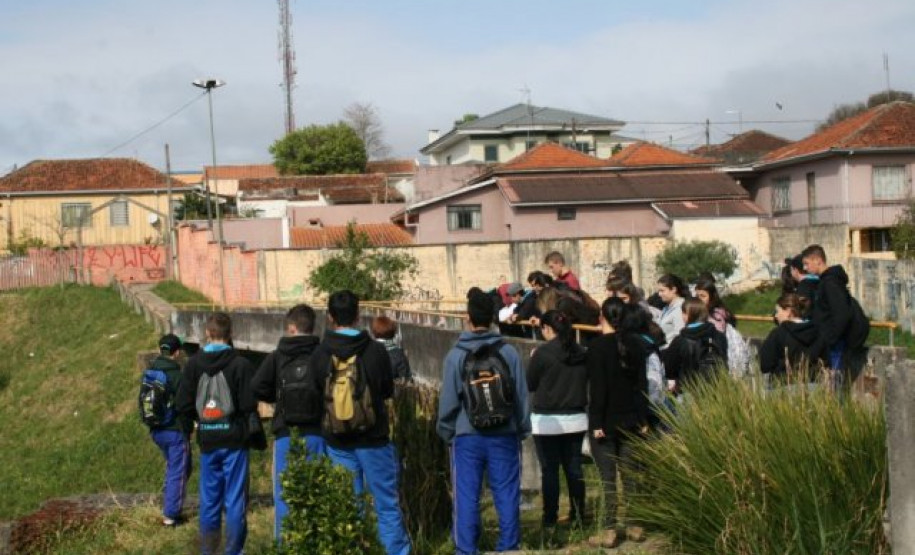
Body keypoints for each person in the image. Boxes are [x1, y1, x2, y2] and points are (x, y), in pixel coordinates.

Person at [309, 291, 411, 555]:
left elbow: (316, 394)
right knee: (387, 505)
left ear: (330, 317)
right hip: (374, 440)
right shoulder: (375, 351)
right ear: (358, 315)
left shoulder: (320, 353)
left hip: (338, 442)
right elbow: (387, 390)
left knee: (348, 508)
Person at [437, 290, 531, 555]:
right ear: (492, 318)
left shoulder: (456, 355)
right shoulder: (508, 352)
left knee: (466, 496)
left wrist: (447, 432)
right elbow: (521, 394)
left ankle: (466, 549)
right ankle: (508, 547)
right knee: (507, 493)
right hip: (505, 433)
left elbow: (449, 401)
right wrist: (522, 428)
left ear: (467, 318)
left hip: (467, 435)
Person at [176, 313, 257, 555]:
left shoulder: (193, 364)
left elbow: (183, 404)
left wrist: (201, 420)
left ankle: (209, 550)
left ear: (207, 334)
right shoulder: (241, 364)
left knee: (209, 500)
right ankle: (234, 550)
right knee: (235, 499)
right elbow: (249, 404)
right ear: (231, 334)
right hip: (235, 440)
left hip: (208, 439)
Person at [251, 304, 326, 542]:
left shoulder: (277, 356)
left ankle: (285, 545)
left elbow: (257, 387)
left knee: (284, 493)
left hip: (285, 432)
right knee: (318, 491)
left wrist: (278, 398)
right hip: (318, 432)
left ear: (291, 327)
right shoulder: (323, 355)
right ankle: (315, 543)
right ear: (312, 327)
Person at [586, 298, 649, 549]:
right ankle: (635, 524)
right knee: (631, 475)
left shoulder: (597, 347)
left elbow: (598, 389)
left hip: (606, 419)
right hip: (633, 418)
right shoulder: (638, 344)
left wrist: (596, 422)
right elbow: (642, 385)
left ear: (602, 317)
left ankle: (609, 529)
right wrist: (643, 418)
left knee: (608, 478)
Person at [527, 310, 588, 528]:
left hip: (546, 421)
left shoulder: (542, 353)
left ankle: (550, 518)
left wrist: (533, 359)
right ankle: (578, 514)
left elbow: (530, 384)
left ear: (547, 328)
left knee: (550, 471)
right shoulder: (581, 352)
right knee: (574, 469)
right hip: (576, 418)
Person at [146, 334, 192, 528]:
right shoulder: (177, 376)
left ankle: (168, 504)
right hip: (174, 430)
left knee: (176, 467)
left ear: (160, 350)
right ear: (177, 352)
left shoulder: (151, 372)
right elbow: (185, 405)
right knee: (178, 471)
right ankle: (171, 516)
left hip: (157, 430)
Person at [801, 244, 852, 372]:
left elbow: (842, 314)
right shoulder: (824, 281)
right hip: (827, 342)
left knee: (834, 379)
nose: (805, 268)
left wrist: (831, 339)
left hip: (834, 345)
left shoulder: (831, 283)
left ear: (818, 260)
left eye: (807, 263)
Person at [663, 299, 728, 393]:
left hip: (688, 389)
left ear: (686, 315)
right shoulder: (720, 336)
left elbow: (670, 369)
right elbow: (724, 360)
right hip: (717, 389)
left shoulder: (680, 340)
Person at [759, 293, 819, 384]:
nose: (776, 316)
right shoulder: (817, 331)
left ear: (788, 311)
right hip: (813, 386)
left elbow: (765, 365)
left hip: (783, 385)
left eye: (777, 311)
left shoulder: (778, 333)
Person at [371, 315, 413, 382]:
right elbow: (406, 379)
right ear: (393, 333)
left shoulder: (367, 352)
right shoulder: (399, 354)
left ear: (374, 332)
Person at [656, 274, 689, 347]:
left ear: (674, 289)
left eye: (662, 291)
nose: (659, 294)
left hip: (672, 351)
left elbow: (680, 335)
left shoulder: (681, 308)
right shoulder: (666, 308)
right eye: (659, 291)